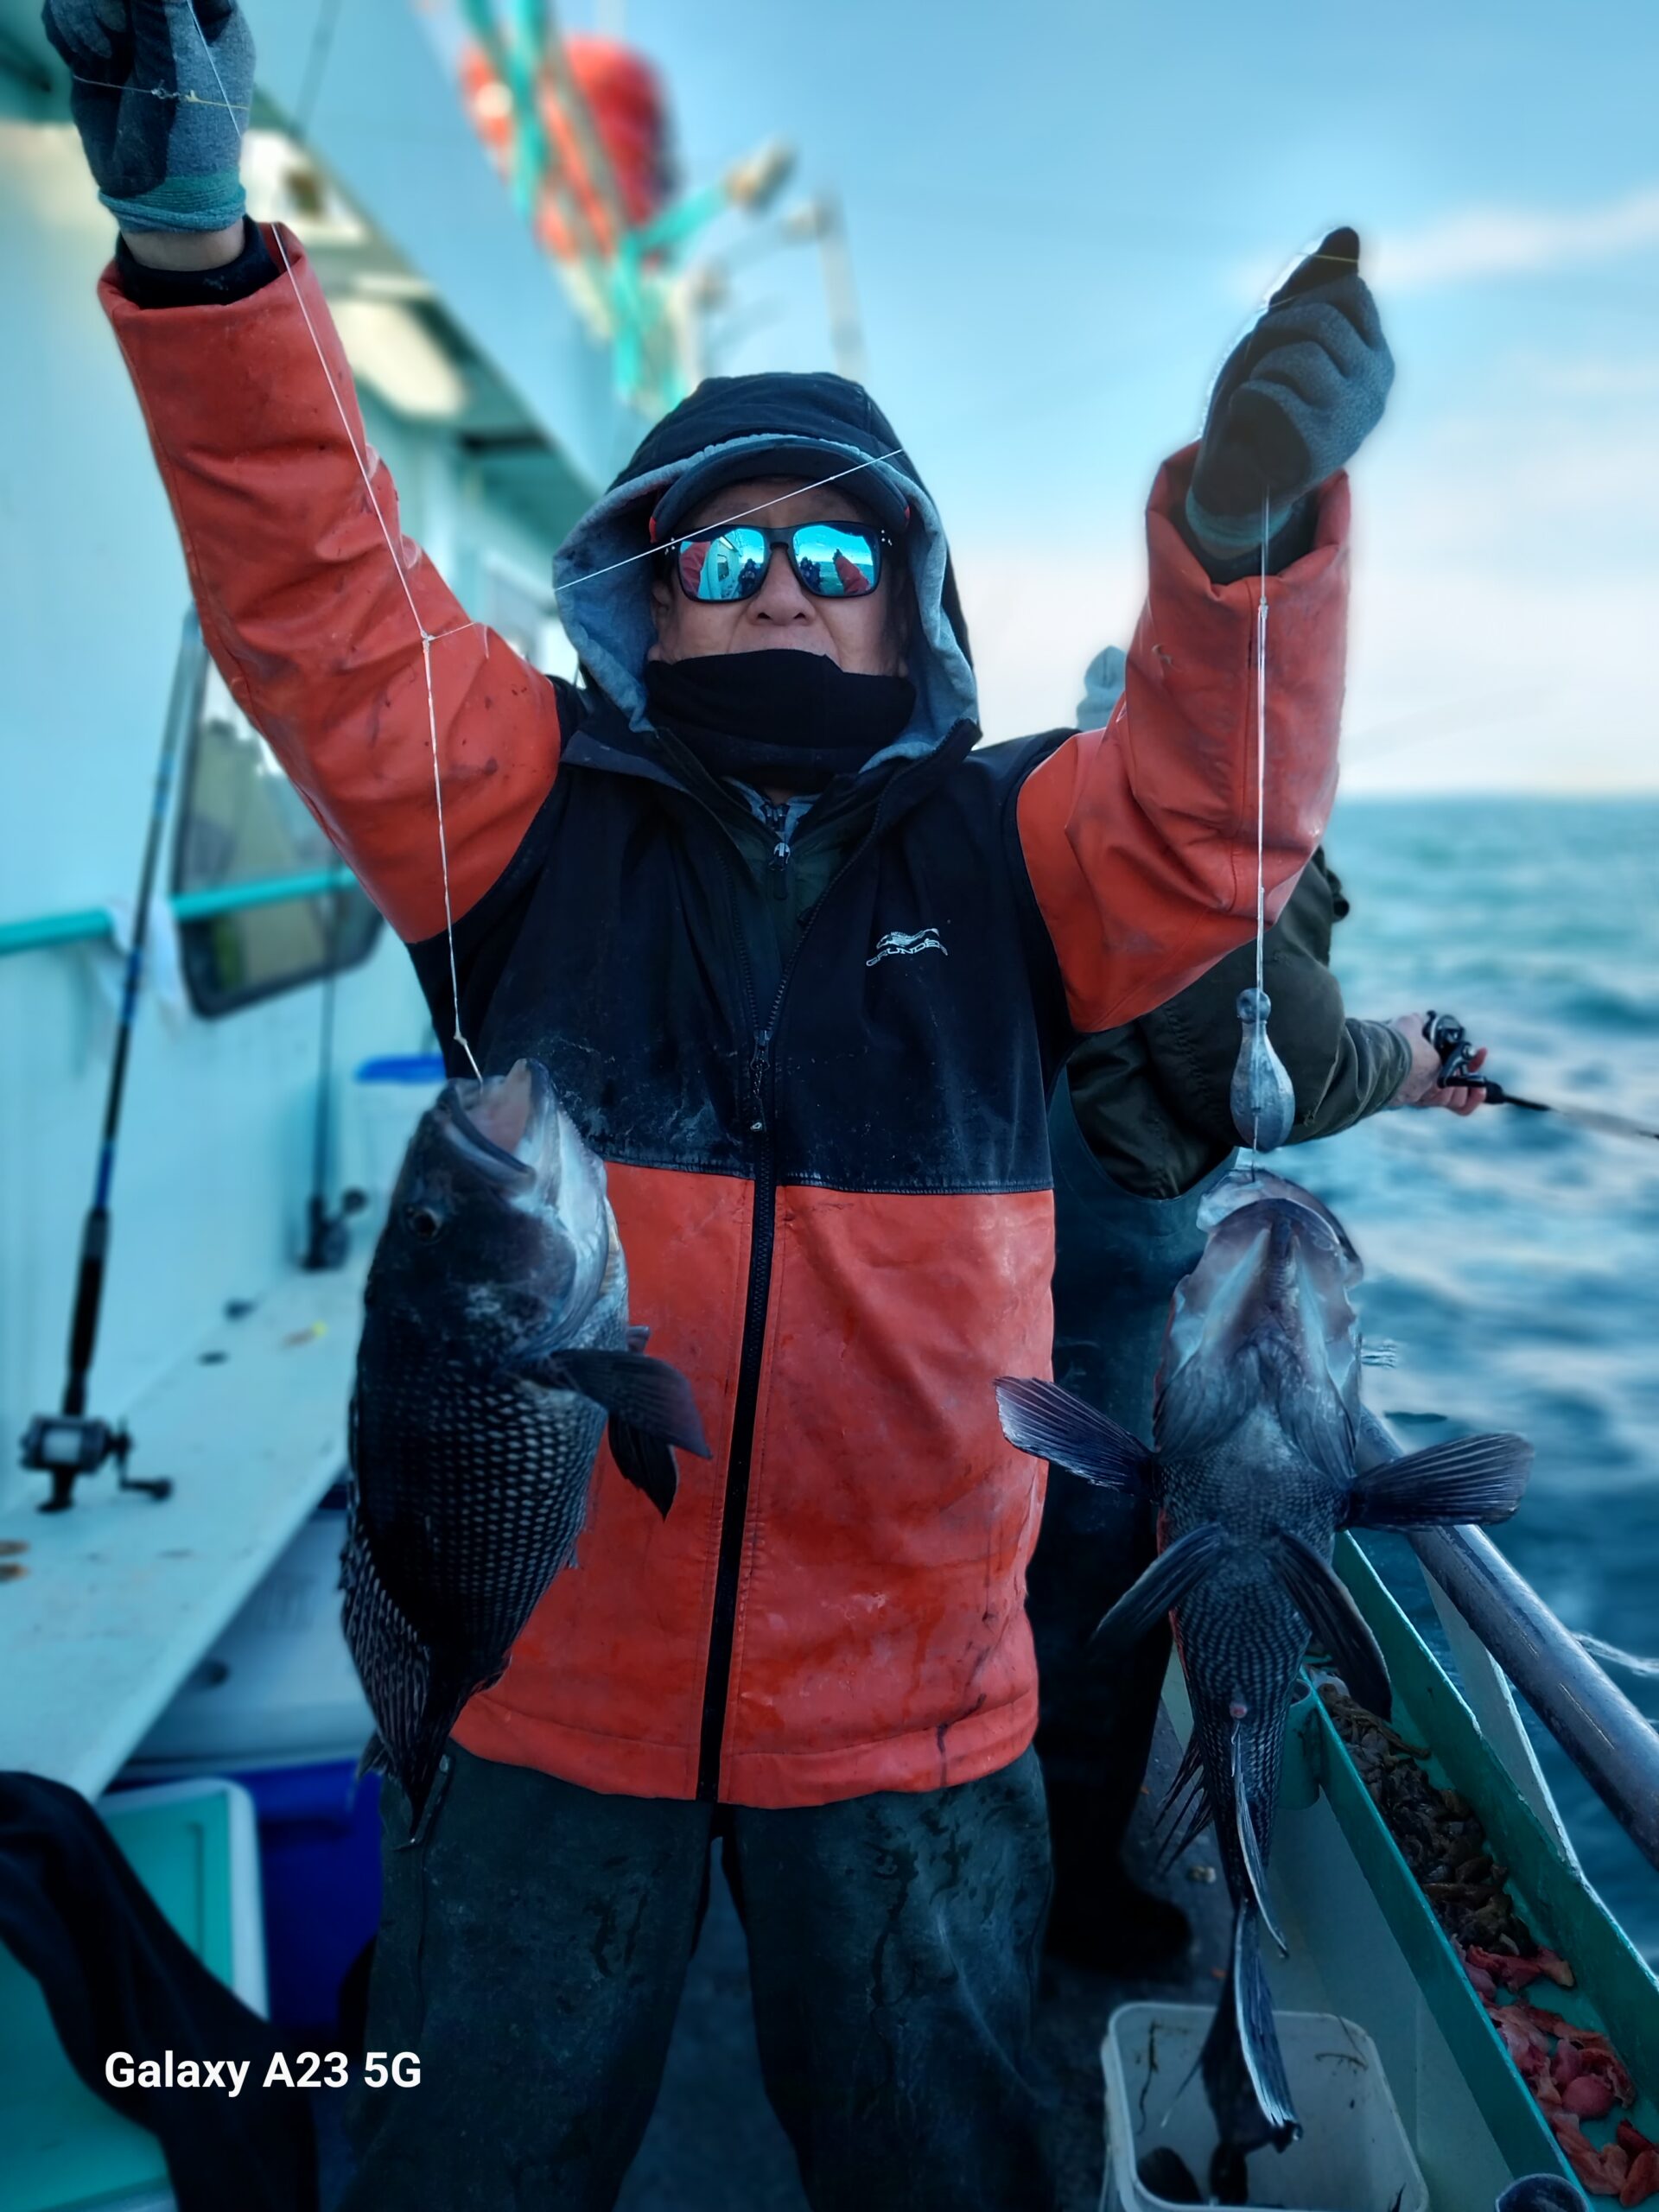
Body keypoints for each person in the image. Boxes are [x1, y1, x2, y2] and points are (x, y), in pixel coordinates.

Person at [47, 5, 1394, 2203]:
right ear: (643, 597)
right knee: (466, 2162)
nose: (780, 583)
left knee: (939, 2160)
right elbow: (322, 610)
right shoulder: (515, 809)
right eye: (724, 551)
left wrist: (1245, 546)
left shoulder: (1015, 844)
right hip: (537, 1702)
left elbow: (1204, 823)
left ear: (913, 614)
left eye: (839, 559)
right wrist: (202, 262)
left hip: (916, 1716)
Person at [1031, 646, 1487, 1978]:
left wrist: (1391, 1059)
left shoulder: (1048, 839)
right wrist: (1409, 1057)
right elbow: (1263, 1062)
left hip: (1022, 1266)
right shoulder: (1188, 861)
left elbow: (1237, 1050)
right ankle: (1060, 1895)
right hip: (1102, 1286)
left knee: (1034, 1576)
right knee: (1095, 1587)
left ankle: (1028, 1857)